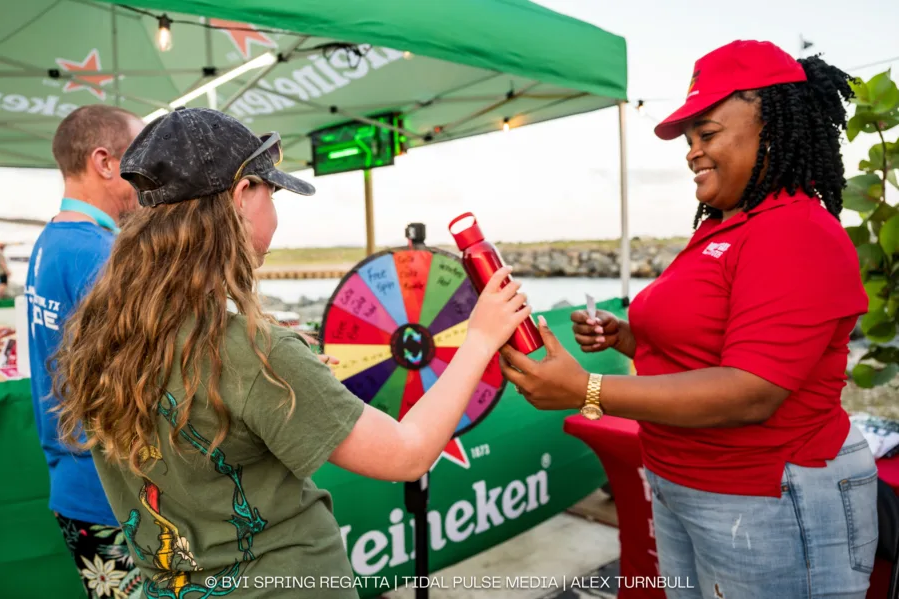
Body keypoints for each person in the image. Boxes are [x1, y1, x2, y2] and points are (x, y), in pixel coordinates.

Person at [50, 107, 530, 598]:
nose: (274, 212)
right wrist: (479, 338)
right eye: (271, 192)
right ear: (241, 198)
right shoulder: (253, 353)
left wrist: (289, 378)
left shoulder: (101, 337)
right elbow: (406, 455)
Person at [500, 40, 877, 599]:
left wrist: (590, 390)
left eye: (708, 134)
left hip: (768, 498)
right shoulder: (722, 227)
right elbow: (703, 347)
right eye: (690, 140)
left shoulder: (796, 230)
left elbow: (752, 390)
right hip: (683, 482)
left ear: (771, 128)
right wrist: (628, 337)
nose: (691, 152)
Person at [26, 104, 145, 598]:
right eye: (143, 159)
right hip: (108, 494)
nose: (150, 174)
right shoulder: (99, 254)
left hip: (74, 485)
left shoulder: (50, 241)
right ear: (104, 162)